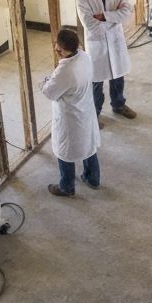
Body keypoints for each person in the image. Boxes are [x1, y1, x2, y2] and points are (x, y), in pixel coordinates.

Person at [40, 26, 100, 197]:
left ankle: (66, 186)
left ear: (59, 49)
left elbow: (49, 92)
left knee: (65, 151)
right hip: (85, 110)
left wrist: (45, 81)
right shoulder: (85, 57)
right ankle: (93, 178)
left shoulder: (65, 71)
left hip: (70, 118)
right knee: (88, 145)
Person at [76, 0, 137, 124]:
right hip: (97, 45)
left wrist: (104, 16)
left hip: (115, 41)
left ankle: (119, 105)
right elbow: (90, 25)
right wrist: (113, 19)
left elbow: (126, 11)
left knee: (118, 75)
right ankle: (94, 114)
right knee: (96, 82)